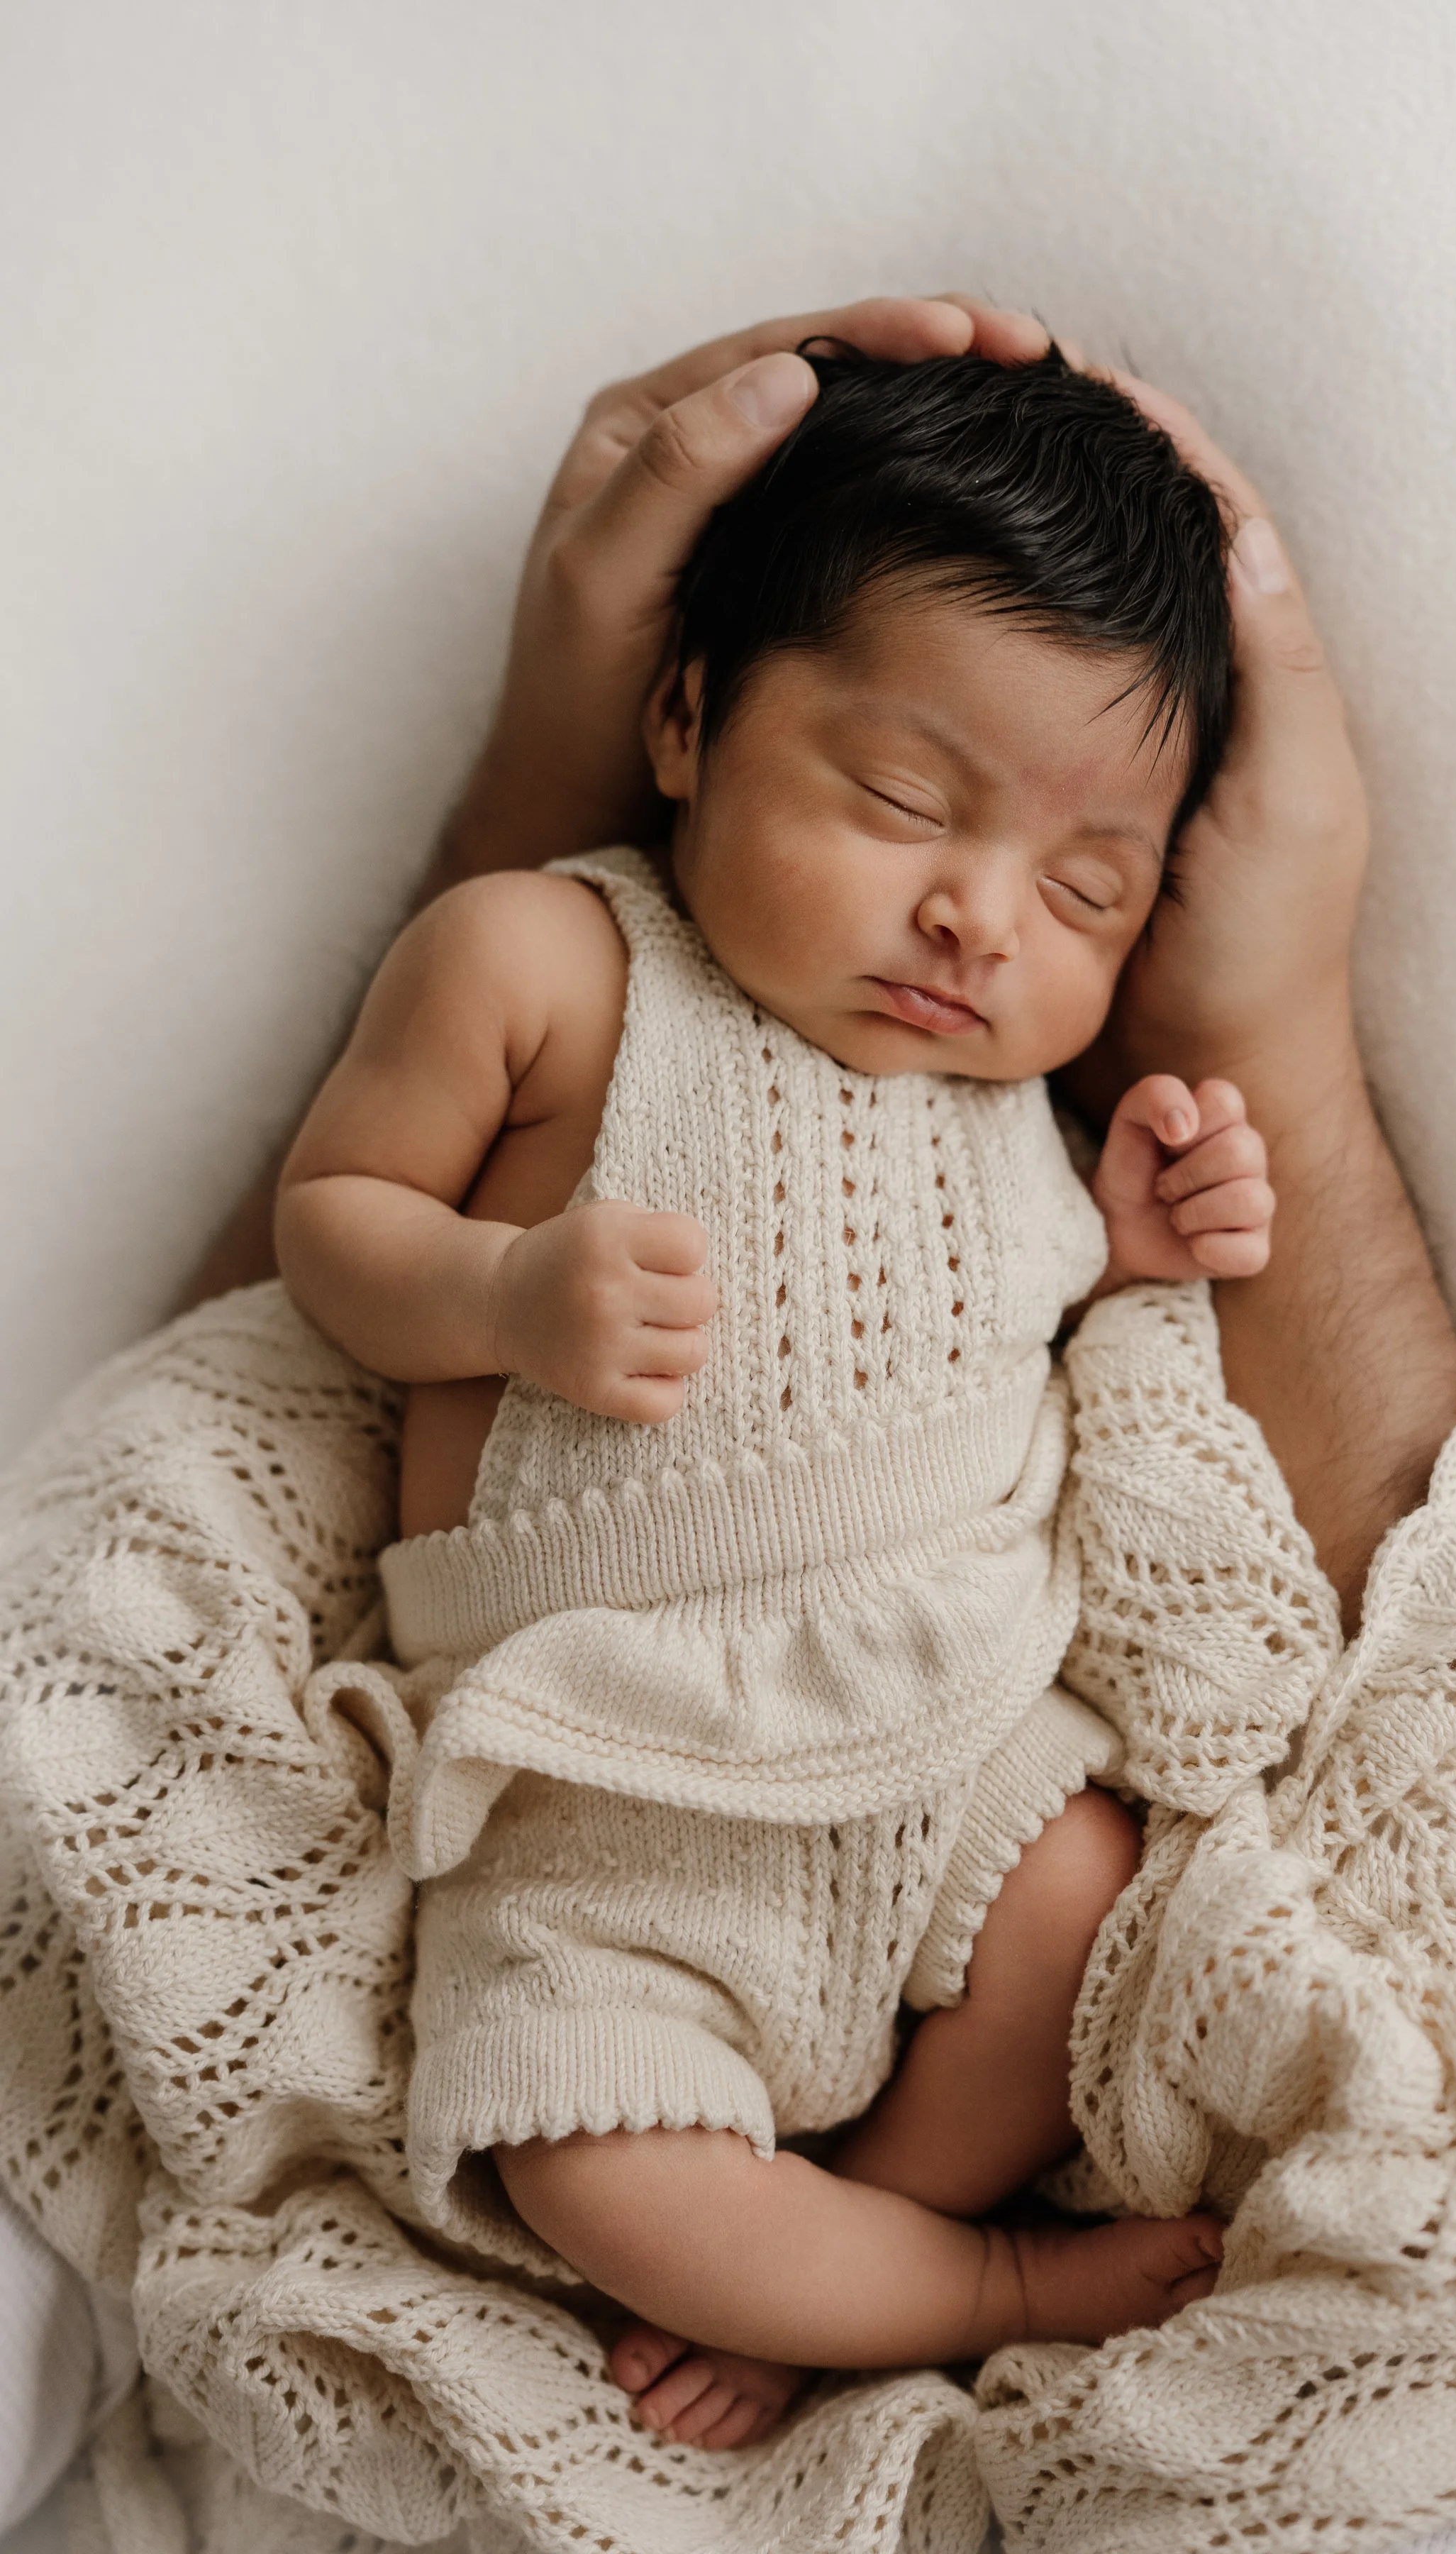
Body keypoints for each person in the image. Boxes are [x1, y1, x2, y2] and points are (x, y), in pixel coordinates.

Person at [272, 343, 1277, 2443]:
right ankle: (956, 2277)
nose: (974, 917)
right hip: (609, 1781)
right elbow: (335, 1220)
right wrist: (503, 1291)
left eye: (1086, 888)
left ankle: (895, 2238)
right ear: (687, 714)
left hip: (946, 1725)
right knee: (587, 2154)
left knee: (1088, 1884)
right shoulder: (545, 962)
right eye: (903, 798)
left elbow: (1060, 1316)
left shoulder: (1026, 1100)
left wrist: (1151, 1237)